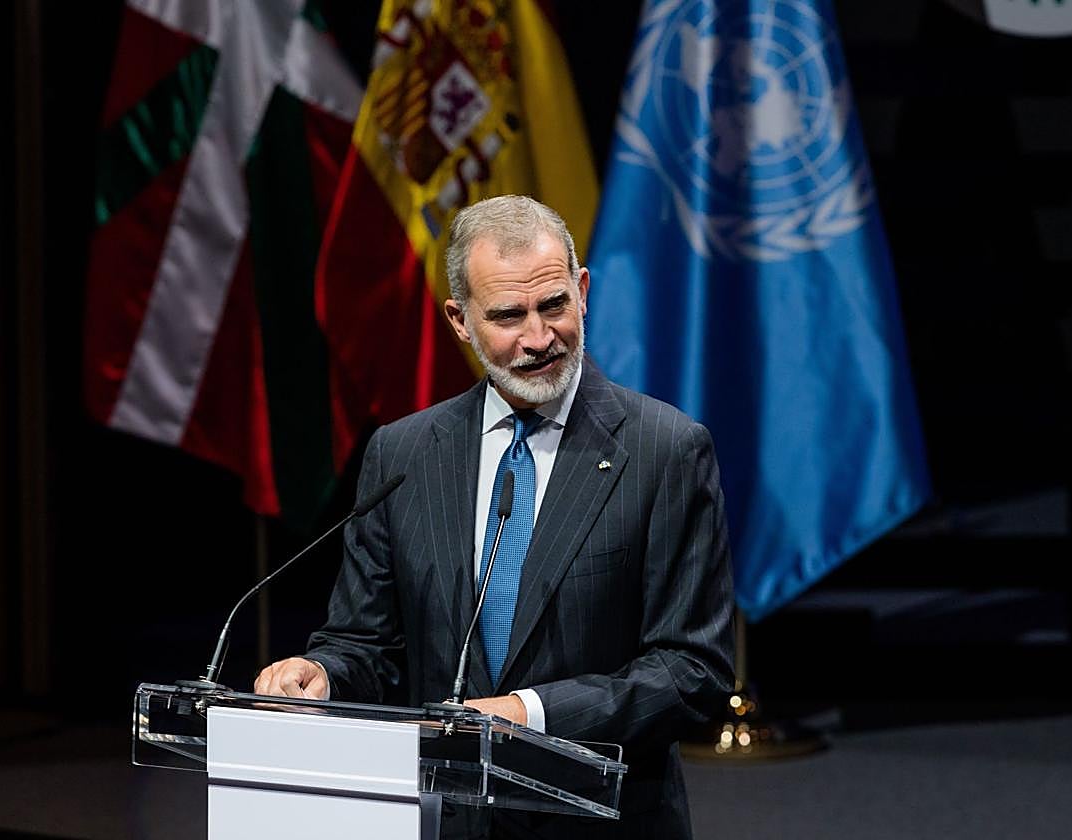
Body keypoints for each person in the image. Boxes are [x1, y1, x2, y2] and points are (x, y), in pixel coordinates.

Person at [255, 195, 735, 839]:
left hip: (600, 823)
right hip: (441, 820)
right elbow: (367, 643)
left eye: (554, 305)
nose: (539, 338)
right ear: (459, 319)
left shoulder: (664, 450)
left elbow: (691, 673)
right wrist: (325, 674)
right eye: (509, 315)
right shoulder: (402, 454)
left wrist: (525, 712)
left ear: (582, 289)